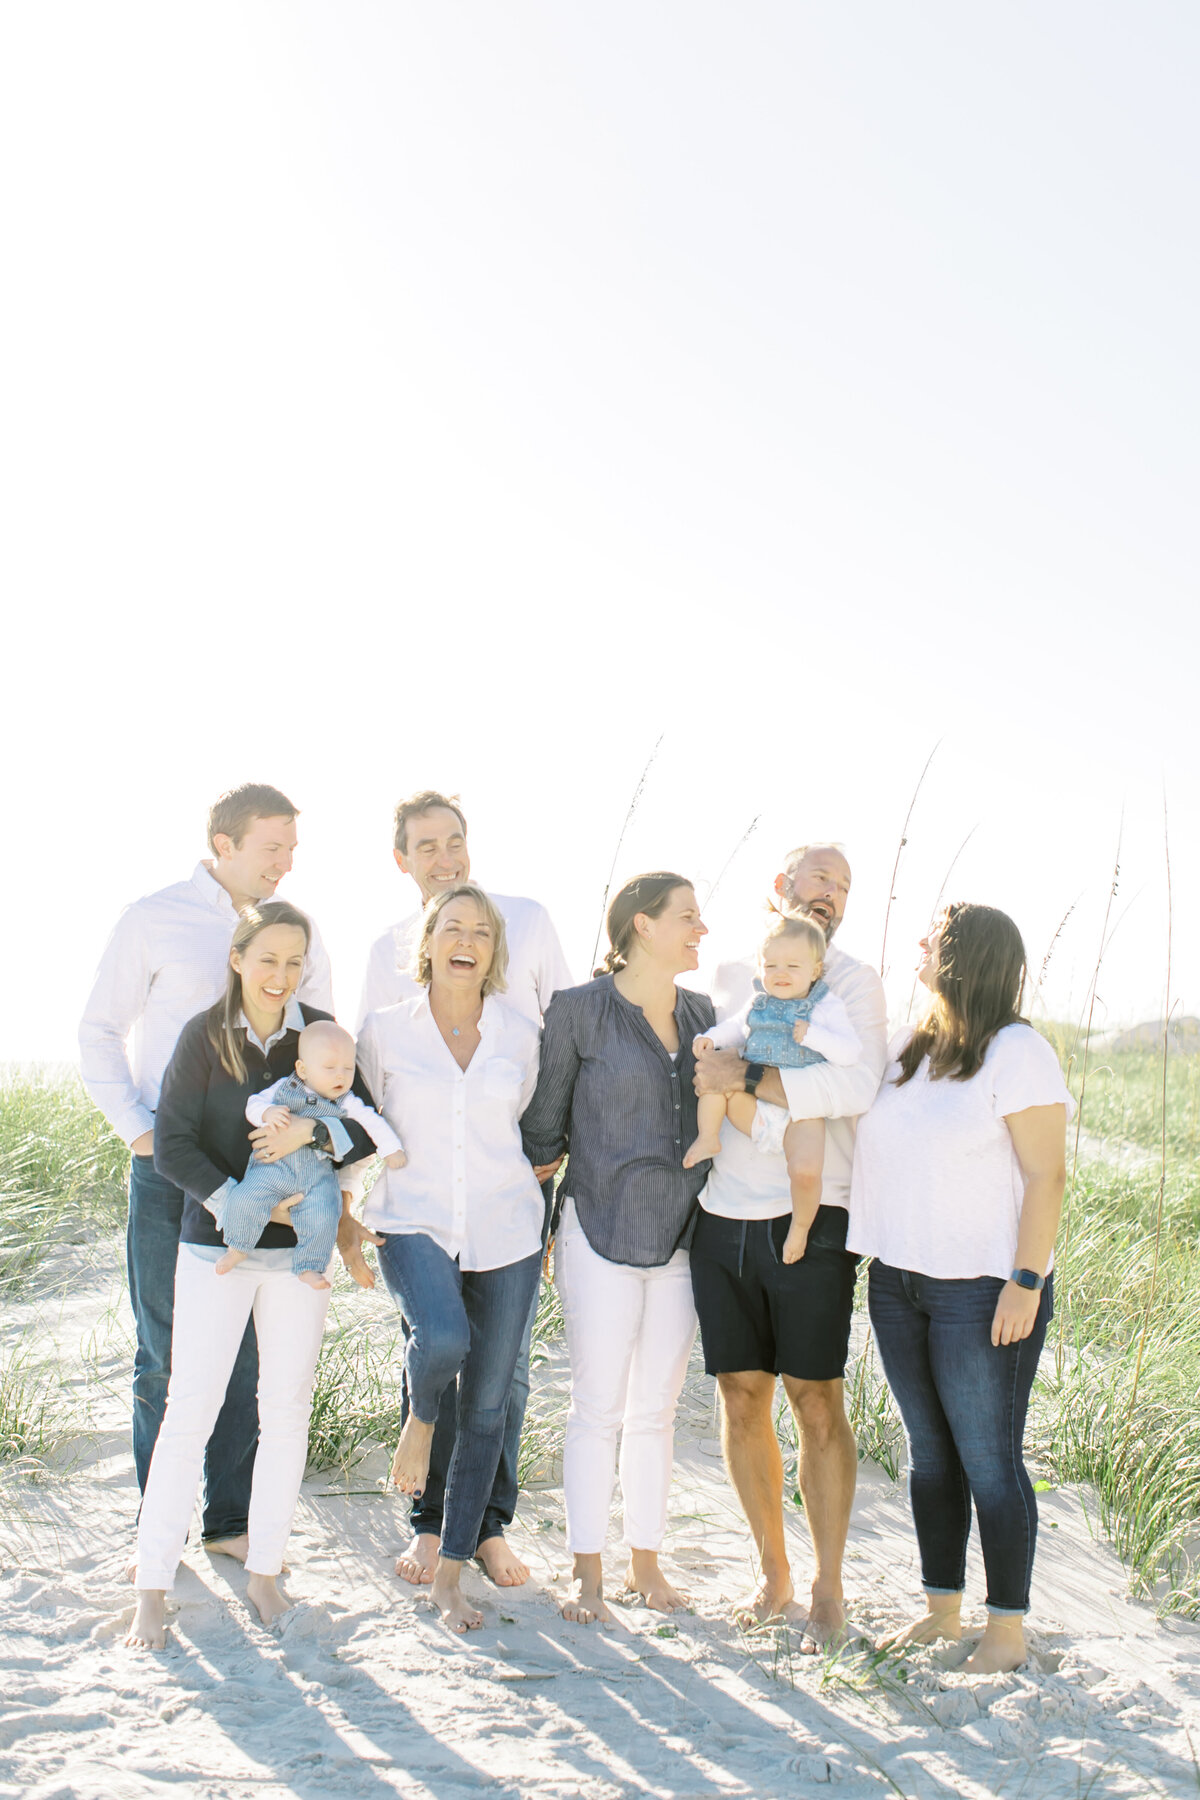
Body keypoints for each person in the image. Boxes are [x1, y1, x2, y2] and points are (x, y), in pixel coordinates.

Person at [79, 783, 334, 1561]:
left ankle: (229, 1522)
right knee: (165, 1348)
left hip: (270, 1177)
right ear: (223, 843)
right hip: (172, 1169)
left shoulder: (298, 936)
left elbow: (322, 1047)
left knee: (249, 1353)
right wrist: (139, 1131)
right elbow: (98, 1029)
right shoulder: (153, 918)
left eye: (293, 849)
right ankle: (162, 1525)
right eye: (272, 848)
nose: (287, 864)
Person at [126, 901, 375, 1650]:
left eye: (295, 961)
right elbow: (171, 1142)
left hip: (299, 1257)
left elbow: (367, 1121)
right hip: (215, 1249)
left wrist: (318, 1132)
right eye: (267, 958)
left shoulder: (321, 1034)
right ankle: (151, 1587)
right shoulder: (204, 1035)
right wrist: (236, 1204)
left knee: (286, 1409)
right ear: (237, 958)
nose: (281, 975)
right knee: (190, 1408)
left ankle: (265, 1573)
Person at [348, 788, 572, 1591]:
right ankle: (431, 1520)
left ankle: (484, 1530)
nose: (444, 857)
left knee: (501, 1379)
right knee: (435, 1348)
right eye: (426, 846)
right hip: (420, 1204)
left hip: (507, 1198)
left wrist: (549, 1155)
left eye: (454, 842)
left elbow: (561, 1043)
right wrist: (349, 1199)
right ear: (403, 859)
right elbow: (367, 1096)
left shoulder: (528, 924)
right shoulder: (386, 956)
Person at [848, 902, 1071, 1675]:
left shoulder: (1018, 1051)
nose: (918, 943)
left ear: (966, 955)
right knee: (929, 1457)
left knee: (989, 1460)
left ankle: (1005, 1628)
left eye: (933, 937)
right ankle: (943, 1608)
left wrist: (1026, 1281)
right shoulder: (912, 1046)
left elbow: (1048, 1176)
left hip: (983, 1289)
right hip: (899, 1281)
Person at [690, 843, 887, 1643]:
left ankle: (828, 1586)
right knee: (740, 1395)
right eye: (820, 879)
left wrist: (745, 1080)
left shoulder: (851, 983)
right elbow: (707, 1065)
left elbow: (856, 1085)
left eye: (844, 883)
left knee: (816, 1399)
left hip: (813, 1216)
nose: (833, 893)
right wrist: (725, 1075)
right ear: (781, 888)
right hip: (723, 1213)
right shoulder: (735, 975)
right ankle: (772, 1570)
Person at [521, 872, 715, 1625]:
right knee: (596, 1407)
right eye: (688, 917)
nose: (702, 930)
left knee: (655, 1412)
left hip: (682, 1238)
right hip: (597, 1228)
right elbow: (543, 1129)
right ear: (642, 925)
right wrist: (541, 1228)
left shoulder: (708, 1018)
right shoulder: (578, 1011)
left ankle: (645, 1563)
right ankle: (587, 1573)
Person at [684, 912, 861, 1263]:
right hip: (751, 1105)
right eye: (771, 965)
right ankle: (708, 1137)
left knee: (807, 1172)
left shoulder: (824, 1006)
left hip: (800, 1111)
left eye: (792, 966)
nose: (780, 974)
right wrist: (709, 1038)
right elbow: (736, 1027)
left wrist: (814, 1036)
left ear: (814, 970)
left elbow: (850, 1051)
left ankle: (800, 1226)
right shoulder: (758, 1001)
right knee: (717, 1074)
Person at [211, 1020, 406, 1289]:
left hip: (317, 1175)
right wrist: (267, 1114)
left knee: (325, 1213)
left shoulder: (347, 1100)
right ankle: (237, 1247)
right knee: (245, 1198)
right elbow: (253, 1105)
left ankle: (309, 1266)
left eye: (347, 1069)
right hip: (272, 1168)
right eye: (330, 1068)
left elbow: (371, 1122)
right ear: (302, 1069)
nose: (340, 1076)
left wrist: (390, 1148)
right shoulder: (283, 1088)